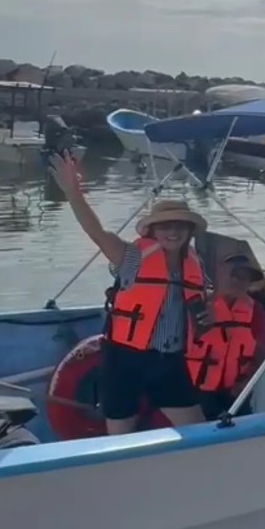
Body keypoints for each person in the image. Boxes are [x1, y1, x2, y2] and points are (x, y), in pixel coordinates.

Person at [48, 153, 208, 435]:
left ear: (189, 231)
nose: (173, 231)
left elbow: (205, 306)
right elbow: (97, 233)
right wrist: (73, 193)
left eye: (180, 226)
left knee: (198, 432)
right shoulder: (133, 257)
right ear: (153, 230)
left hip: (169, 362)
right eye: (165, 226)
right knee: (119, 437)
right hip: (124, 360)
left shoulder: (194, 264)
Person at [189, 253, 265, 420]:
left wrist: (247, 382)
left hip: (236, 393)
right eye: (233, 274)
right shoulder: (199, 303)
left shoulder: (254, 310)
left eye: (244, 278)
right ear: (219, 274)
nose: (238, 281)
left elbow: (263, 350)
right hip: (196, 394)